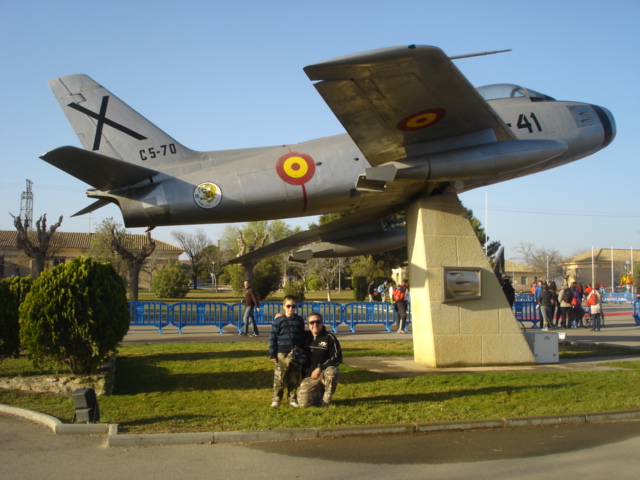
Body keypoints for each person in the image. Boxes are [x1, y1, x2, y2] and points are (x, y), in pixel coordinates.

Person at [298, 312, 343, 407]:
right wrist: (281, 318)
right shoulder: (303, 337)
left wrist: (320, 368)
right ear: (308, 324)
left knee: (333, 371)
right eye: (312, 322)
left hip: (324, 373)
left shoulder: (329, 338)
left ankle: (326, 400)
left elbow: (338, 357)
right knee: (303, 404)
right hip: (309, 376)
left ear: (322, 323)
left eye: (318, 322)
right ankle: (319, 394)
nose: (315, 324)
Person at [268, 295, 305, 408]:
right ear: (283, 306)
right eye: (288, 306)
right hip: (282, 353)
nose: (291, 309)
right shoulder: (279, 321)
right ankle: (276, 398)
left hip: (295, 353)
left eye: (293, 306)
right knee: (280, 377)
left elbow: (302, 336)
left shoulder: (299, 320)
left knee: (294, 377)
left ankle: (292, 398)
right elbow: (273, 338)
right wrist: (272, 354)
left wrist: (302, 351)